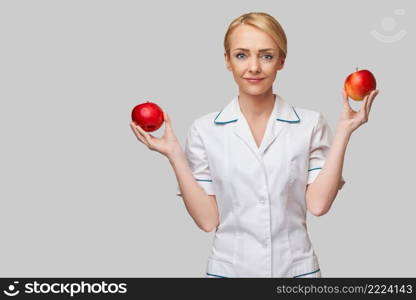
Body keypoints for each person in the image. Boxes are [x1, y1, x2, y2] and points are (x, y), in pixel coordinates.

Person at [129, 12, 379, 278]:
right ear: (227, 60)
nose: (254, 67)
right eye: (241, 55)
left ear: (281, 61)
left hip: (296, 271)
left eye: (267, 55)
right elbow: (207, 221)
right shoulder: (204, 130)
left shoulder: (310, 124)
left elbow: (318, 205)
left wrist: (344, 131)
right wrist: (174, 155)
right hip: (229, 272)